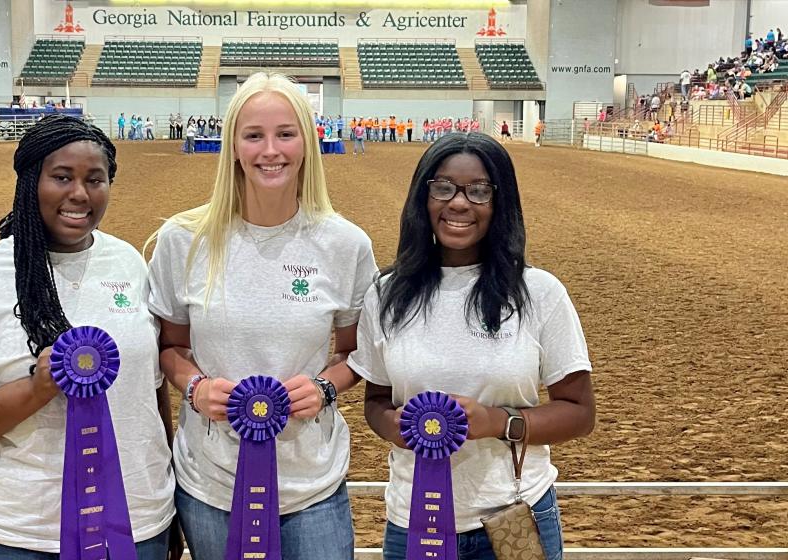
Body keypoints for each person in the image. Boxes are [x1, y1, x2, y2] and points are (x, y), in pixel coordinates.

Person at [0, 114, 180, 560]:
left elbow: (152, 391)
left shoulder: (129, 263)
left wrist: (170, 501)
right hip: (17, 537)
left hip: (137, 523)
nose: (79, 194)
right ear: (31, 181)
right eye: (62, 177)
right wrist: (35, 389)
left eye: (96, 179)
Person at [146, 72, 377, 560]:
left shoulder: (346, 244)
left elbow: (360, 354)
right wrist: (194, 387)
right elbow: (170, 348)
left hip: (311, 486)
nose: (270, 150)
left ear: (307, 143)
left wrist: (326, 388)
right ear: (233, 144)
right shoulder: (181, 241)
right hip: (211, 486)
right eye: (254, 135)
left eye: (285, 134)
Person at [344, 132, 594, 560]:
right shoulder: (385, 293)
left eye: (479, 190)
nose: (458, 203)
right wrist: (398, 429)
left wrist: (498, 423)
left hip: (514, 518)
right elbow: (377, 401)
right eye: (443, 187)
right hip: (414, 521)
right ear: (423, 198)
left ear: (500, 202)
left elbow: (579, 412)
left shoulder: (539, 293)